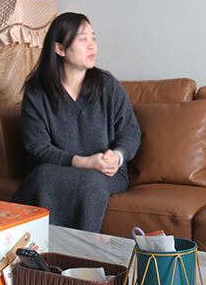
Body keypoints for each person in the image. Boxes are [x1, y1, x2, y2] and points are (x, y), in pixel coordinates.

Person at [12, 12, 140, 232]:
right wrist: (83, 162)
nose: (92, 46)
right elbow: (37, 146)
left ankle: (80, 250)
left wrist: (117, 156)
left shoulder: (108, 85)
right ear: (60, 49)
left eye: (93, 38)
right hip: (56, 168)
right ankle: (39, 248)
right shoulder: (37, 91)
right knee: (43, 177)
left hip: (105, 173)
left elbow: (130, 132)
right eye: (83, 39)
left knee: (90, 183)